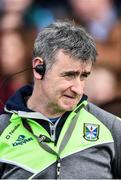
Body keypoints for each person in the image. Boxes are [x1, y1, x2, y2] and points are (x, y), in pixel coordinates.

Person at [0, 20, 121, 179]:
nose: (78, 88)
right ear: (38, 68)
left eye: (83, 76)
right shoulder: (3, 130)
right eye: (69, 75)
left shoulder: (111, 127)